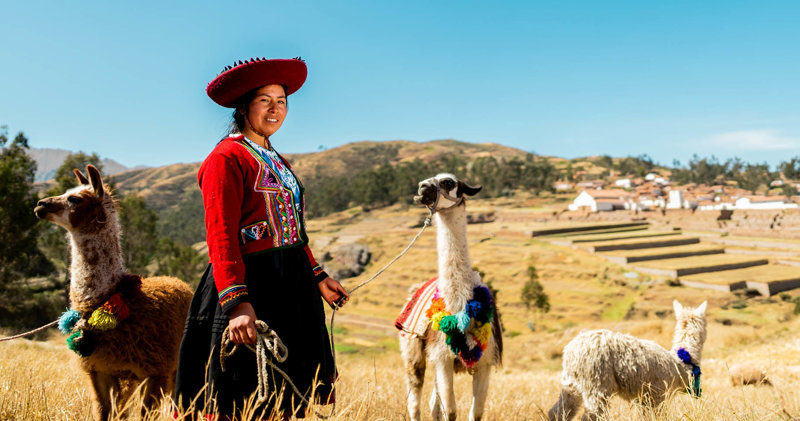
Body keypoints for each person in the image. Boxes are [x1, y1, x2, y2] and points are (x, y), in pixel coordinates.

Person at [174, 57, 349, 419]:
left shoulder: (275, 159)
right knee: (242, 395)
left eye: (281, 101)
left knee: (287, 395)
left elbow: (293, 230)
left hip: (293, 287)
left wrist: (318, 276)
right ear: (243, 106)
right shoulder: (226, 158)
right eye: (264, 101)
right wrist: (237, 303)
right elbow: (221, 235)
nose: (275, 109)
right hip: (251, 286)